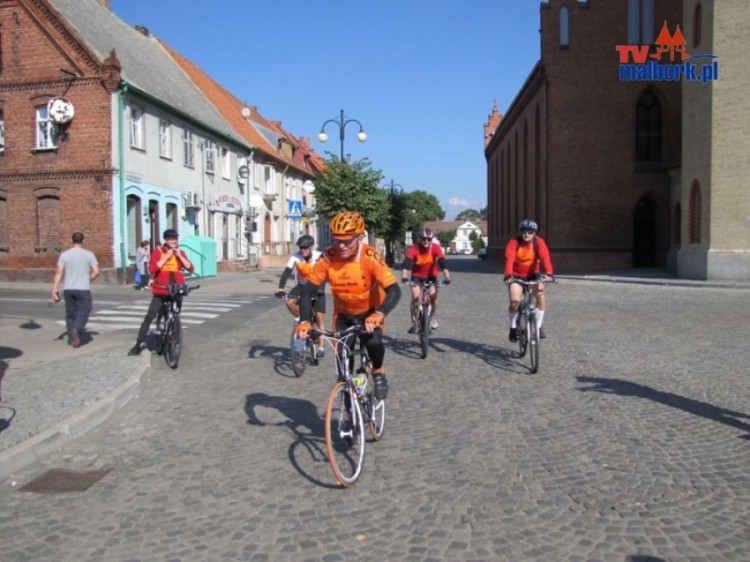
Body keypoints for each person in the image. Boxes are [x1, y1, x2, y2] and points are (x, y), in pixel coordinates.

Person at [294, 211, 401, 399]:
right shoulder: (328, 257)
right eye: (337, 240)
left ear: (359, 237)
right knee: (343, 368)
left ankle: (378, 371)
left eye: (347, 241)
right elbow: (306, 292)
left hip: (369, 313)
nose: (341, 246)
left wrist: (380, 314)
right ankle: (350, 412)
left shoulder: (370, 256)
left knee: (374, 342)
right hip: (343, 316)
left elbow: (394, 291)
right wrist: (304, 321)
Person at [128, 229, 194, 356]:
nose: (173, 241)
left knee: (176, 316)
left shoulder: (181, 252)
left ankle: (173, 336)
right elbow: (152, 269)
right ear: (166, 240)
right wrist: (167, 257)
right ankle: (137, 345)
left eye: (175, 239)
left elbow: (190, 267)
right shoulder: (158, 252)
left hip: (176, 290)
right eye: (170, 239)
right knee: (149, 317)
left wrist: (179, 256)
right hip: (161, 290)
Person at [275, 234, 327, 359]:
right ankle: (302, 317)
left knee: (319, 317)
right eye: (300, 248)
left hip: (316, 287)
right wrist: (281, 288)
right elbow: (287, 272)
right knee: (288, 300)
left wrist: (321, 288)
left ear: (311, 247)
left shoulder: (319, 256)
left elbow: (325, 272)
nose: (302, 250)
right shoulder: (295, 256)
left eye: (305, 248)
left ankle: (320, 347)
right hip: (302, 286)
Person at [503, 219, 554, 342]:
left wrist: (549, 273)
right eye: (524, 232)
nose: (527, 234)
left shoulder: (538, 242)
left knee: (541, 296)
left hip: (533, 274)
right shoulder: (514, 242)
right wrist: (508, 274)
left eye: (530, 232)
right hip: (516, 275)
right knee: (514, 301)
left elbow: (544, 256)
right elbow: (509, 258)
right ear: (521, 232)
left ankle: (539, 326)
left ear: (534, 233)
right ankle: (513, 328)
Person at [51, 232, 100, 348]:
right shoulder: (89, 254)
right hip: (83, 288)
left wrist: (54, 288)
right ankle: (76, 329)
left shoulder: (64, 255)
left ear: (71, 241)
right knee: (85, 309)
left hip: (68, 288)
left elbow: (59, 272)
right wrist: (89, 279)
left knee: (71, 313)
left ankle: (72, 337)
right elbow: (96, 271)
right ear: (83, 241)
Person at [400, 226, 451, 332]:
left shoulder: (436, 248)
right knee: (415, 297)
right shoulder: (414, 248)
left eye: (429, 239)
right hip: (417, 276)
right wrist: (404, 276)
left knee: (433, 296)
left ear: (431, 240)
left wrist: (447, 277)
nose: (426, 241)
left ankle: (432, 317)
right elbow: (407, 263)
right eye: (424, 239)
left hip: (431, 276)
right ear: (420, 238)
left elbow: (443, 263)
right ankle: (414, 323)